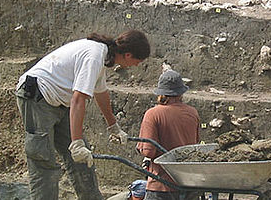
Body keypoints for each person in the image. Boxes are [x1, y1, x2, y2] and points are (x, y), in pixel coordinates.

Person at [15, 30, 150, 200]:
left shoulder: (102, 57)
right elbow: (78, 99)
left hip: (58, 101)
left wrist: (113, 126)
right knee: (43, 160)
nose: (137, 65)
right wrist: (76, 142)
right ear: (128, 55)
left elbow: (101, 93)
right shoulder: (94, 56)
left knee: (82, 159)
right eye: (138, 62)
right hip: (37, 97)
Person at [136, 70, 200, 200]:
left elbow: (148, 151)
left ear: (161, 93)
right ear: (181, 93)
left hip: (162, 184)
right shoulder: (193, 113)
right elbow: (196, 143)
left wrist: (140, 149)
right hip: (189, 182)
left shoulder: (153, 114)